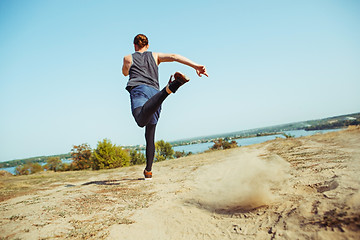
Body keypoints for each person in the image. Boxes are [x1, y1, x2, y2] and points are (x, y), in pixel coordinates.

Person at [122, 34, 208, 180]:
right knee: (150, 134)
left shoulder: (128, 58)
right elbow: (174, 56)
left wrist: (127, 69)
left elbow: (125, 73)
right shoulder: (155, 56)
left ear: (134, 46)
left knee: (140, 121)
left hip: (140, 91)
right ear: (147, 45)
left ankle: (168, 88)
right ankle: (148, 171)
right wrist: (196, 66)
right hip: (155, 95)